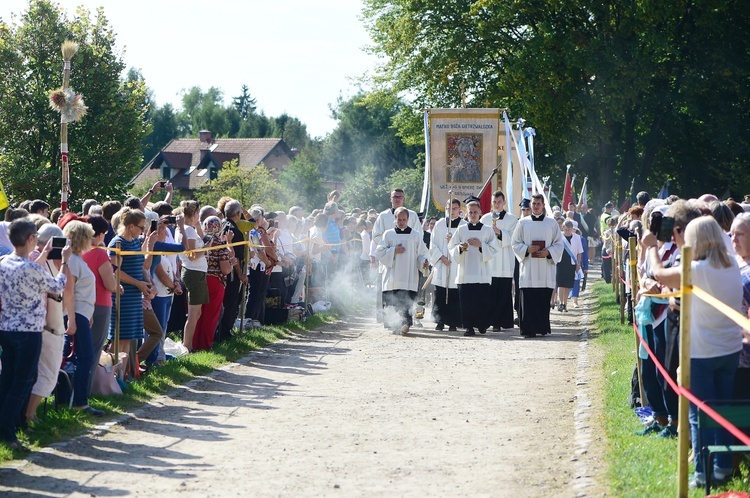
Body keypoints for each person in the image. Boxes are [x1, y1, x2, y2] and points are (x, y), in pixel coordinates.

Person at [644, 215, 743, 488]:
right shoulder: (732, 265)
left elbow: (660, 274)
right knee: (721, 409)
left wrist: (651, 248)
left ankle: (701, 472)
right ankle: (722, 467)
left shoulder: (697, 269)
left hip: (702, 351)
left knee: (698, 414)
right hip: (729, 349)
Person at [0, 219, 70, 451]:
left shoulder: (5, 263)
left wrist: (46, 253)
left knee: (8, 379)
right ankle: (8, 432)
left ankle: (14, 424)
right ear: (30, 239)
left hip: (7, 329)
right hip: (28, 332)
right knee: (23, 381)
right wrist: (64, 263)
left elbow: (31, 272)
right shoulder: (31, 268)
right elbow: (57, 286)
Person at [24, 224, 69, 425]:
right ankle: (29, 415)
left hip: (29, 324)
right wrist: (65, 263)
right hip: (42, 325)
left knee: (26, 374)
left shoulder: (29, 258)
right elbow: (57, 286)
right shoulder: (37, 260)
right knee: (47, 373)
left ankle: (23, 416)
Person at [61, 220, 102, 415]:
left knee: (83, 357)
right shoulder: (74, 262)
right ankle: (80, 401)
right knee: (84, 357)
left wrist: (89, 314)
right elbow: (69, 291)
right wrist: (74, 319)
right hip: (76, 314)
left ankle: (78, 399)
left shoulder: (77, 259)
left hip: (82, 313)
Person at [511, 194, 564, 338]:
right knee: (528, 301)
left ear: (543, 205)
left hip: (545, 269)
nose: (535, 206)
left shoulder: (551, 223)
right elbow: (515, 243)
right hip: (528, 269)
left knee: (542, 300)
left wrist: (549, 252)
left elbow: (559, 244)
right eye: (533, 203)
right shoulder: (522, 223)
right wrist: (527, 250)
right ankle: (528, 329)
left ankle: (542, 328)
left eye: (538, 203)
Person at [108, 208, 156, 363]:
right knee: (118, 339)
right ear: (131, 226)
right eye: (141, 227)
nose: (142, 231)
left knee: (128, 339)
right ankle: (110, 374)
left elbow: (143, 265)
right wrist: (138, 284)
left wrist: (150, 246)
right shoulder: (118, 243)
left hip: (134, 296)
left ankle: (123, 374)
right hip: (122, 296)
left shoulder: (135, 242)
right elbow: (116, 272)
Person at [374, 207, 429, 335]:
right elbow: (379, 252)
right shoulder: (388, 234)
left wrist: (424, 261)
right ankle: (394, 324)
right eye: (399, 219)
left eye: (404, 219)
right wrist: (393, 250)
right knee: (392, 300)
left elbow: (422, 253)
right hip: (392, 275)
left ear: (408, 220)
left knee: (406, 300)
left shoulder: (415, 235)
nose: (402, 222)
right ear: (395, 219)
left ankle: (405, 324)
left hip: (409, 275)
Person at [449, 200, 500, 336]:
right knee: (466, 302)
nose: (472, 215)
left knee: (481, 301)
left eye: (475, 212)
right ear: (466, 213)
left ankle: (481, 324)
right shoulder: (461, 229)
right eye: (470, 212)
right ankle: (469, 327)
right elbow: (451, 247)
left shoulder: (487, 230)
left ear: (480, 213)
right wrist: (459, 248)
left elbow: (495, 248)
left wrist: (481, 245)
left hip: (482, 272)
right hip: (465, 271)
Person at [371, 189, 421, 320]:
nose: (397, 199)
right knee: (390, 290)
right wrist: (392, 247)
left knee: (407, 292)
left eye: (400, 197)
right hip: (391, 261)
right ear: (390, 198)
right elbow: (376, 236)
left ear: (404, 199)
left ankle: (406, 319)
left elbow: (419, 239)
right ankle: (388, 319)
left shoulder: (413, 216)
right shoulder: (383, 216)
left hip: (408, 262)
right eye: (395, 197)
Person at [193, 216, 233, 351]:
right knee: (210, 315)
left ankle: (193, 344)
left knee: (196, 314)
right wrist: (232, 264)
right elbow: (225, 269)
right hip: (215, 281)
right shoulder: (220, 244)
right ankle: (204, 345)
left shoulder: (200, 241)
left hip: (198, 279)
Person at [480, 190, 518, 330]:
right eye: (494, 202)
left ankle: (500, 322)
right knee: (489, 294)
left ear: (504, 202)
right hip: (490, 261)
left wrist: (500, 233)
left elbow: (514, 239)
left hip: (505, 261)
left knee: (503, 293)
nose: (496, 205)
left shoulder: (512, 219)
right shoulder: (484, 219)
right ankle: (487, 321)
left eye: (499, 202)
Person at [175, 200, 208, 351]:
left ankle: (188, 344)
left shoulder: (186, 229)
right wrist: (207, 248)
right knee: (194, 313)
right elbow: (193, 255)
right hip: (194, 271)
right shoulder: (188, 230)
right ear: (194, 214)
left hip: (194, 271)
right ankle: (187, 345)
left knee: (197, 312)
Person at [216, 199, 249, 343]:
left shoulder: (221, 224)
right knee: (230, 302)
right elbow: (236, 255)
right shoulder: (234, 230)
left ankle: (221, 330)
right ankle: (225, 331)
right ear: (237, 213)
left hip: (220, 269)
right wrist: (240, 273)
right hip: (231, 272)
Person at [429, 199, 465, 331]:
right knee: (441, 294)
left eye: (455, 208)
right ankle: (440, 321)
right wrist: (442, 257)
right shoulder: (439, 225)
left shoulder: (464, 225)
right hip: (442, 264)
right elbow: (433, 245)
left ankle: (454, 322)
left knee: (455, 295)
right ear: (446, 208)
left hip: (456, 265)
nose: (452, 211)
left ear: (459, 209)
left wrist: (454, 246)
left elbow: (465, 245)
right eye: (450, 208)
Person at [730, 212, 750, 399]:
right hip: (729, 350)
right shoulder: (731, 261)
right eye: (732, 233)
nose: (734, 239)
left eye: (740, 234)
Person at [555, 220, 583, 312]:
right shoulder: (559, 237)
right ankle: (560, 303)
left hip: (571, 263)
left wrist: (578, 263)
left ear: (572, 229)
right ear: (563, 228)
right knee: (560, 284)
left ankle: (565, 303)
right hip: (560, 262)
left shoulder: (577, 238)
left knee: (567, 285)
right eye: (565, 229)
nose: (567, 231)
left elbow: (579, 252)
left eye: (569, 229)